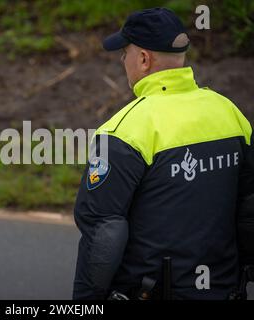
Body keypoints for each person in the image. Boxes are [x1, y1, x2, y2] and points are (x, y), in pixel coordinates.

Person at [72, 7, 254, 300]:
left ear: (143, 59)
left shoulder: (123, 130)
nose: (122, 59)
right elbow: (248, 208)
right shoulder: (230, 113)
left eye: (125, 52)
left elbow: (104, 232)